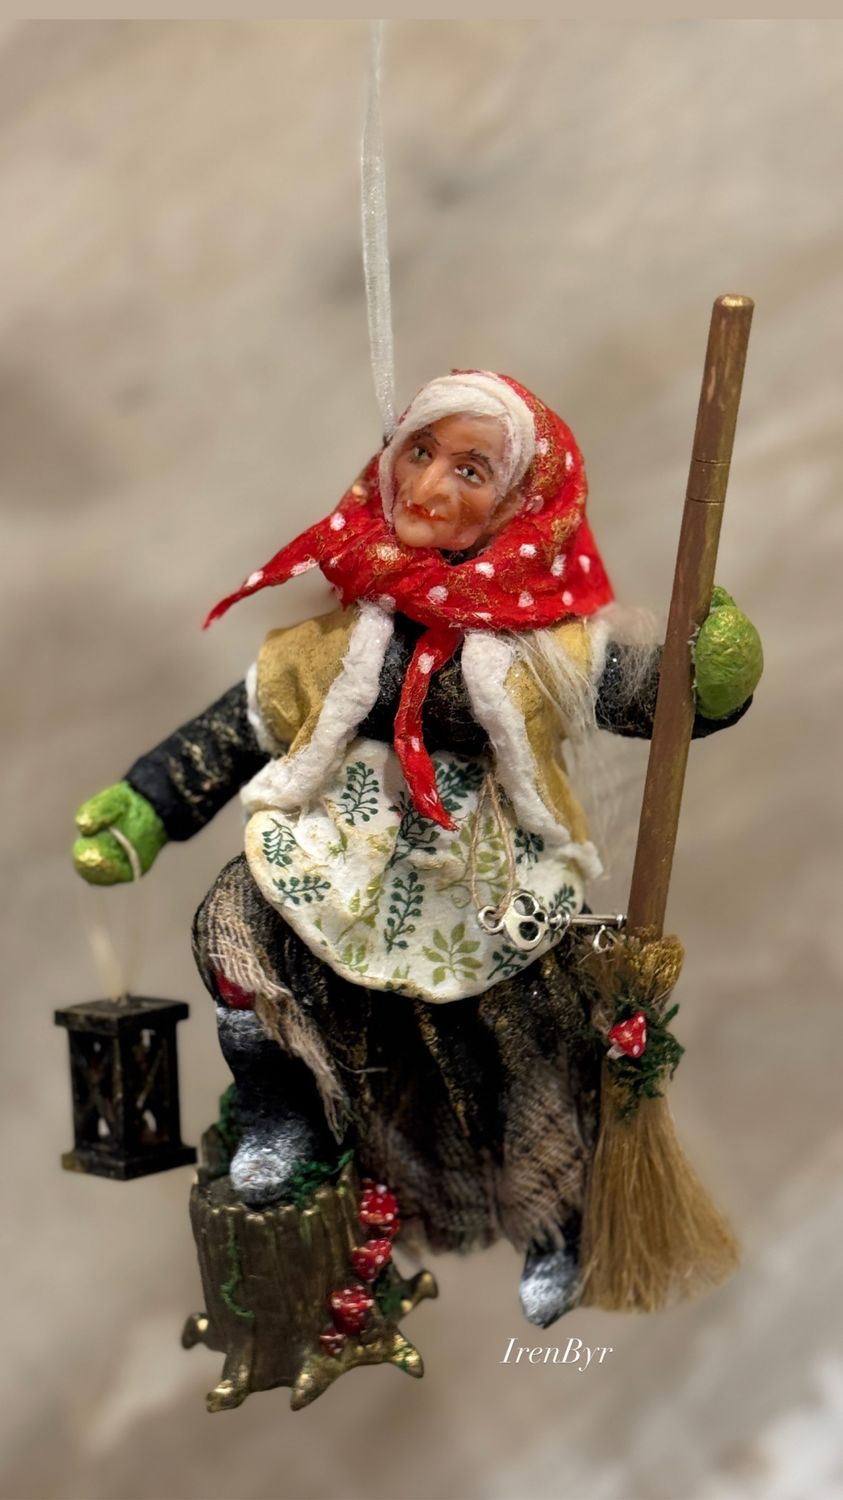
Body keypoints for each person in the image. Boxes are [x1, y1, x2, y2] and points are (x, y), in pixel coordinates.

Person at [72, 371, 762, 1327]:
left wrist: (709, 677)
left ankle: (555, 1218)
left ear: (517, 504)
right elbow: (241, 724)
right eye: (420, 452)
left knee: (523, 1048)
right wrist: (146, 804)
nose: (428, 485)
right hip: (347, 856)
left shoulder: (547, 649)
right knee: (240, 925)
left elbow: (643, 698)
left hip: (483, 870)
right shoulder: (333, 642)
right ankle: (283, 1116)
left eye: (469, 470)